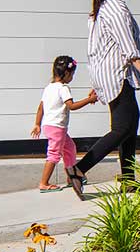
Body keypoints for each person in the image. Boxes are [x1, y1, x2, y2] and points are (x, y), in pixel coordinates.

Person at [64, 0, 140, 198]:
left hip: (109, 75)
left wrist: (97, 80)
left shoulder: (100, 9)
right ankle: (78, 169)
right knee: (123, 128)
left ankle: (128, 180)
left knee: (129, 127)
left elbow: (95, 49)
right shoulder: (116, 9)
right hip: (118, 75)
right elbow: (127, 45)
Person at [29, 55, 96, 192]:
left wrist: (37, 124)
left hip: (49, 126)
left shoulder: (49, 87)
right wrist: (89, 100)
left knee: (70, 149)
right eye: (72, 74)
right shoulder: (63, 88)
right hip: (57, 128)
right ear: (66, 73)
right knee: (54, 154)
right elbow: (71, 106)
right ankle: (44, 183)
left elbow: (41, 107)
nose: (72, 77)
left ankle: (72, 177)